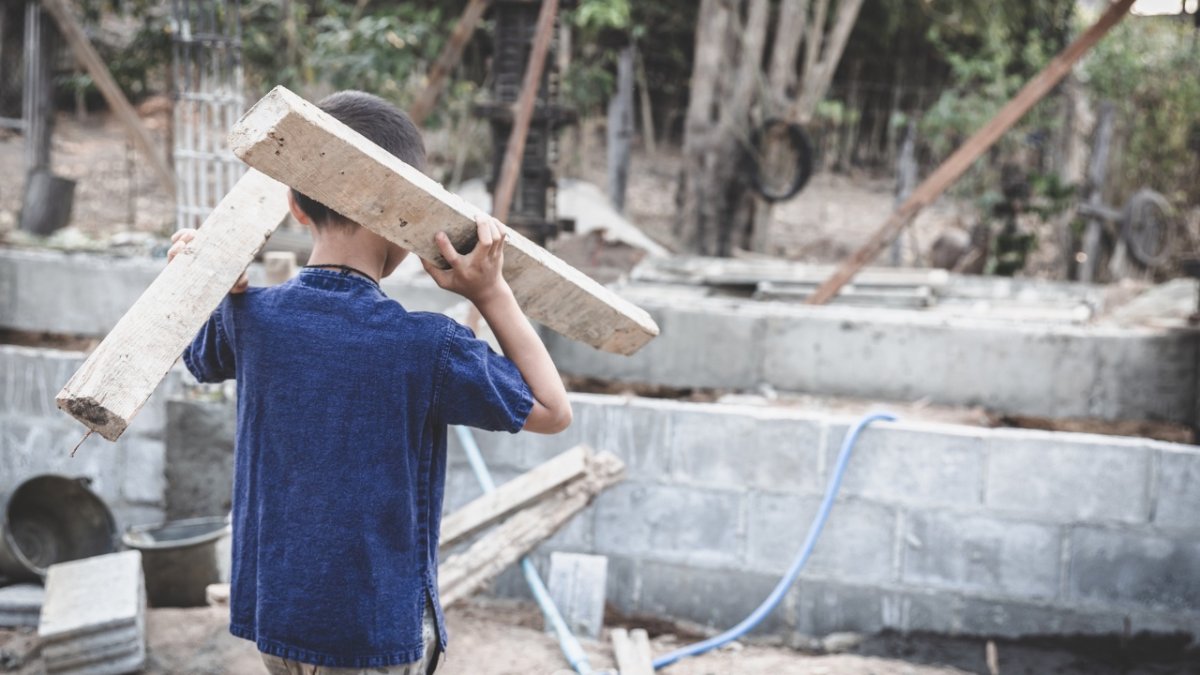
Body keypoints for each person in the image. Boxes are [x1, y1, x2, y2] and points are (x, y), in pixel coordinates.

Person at [168, 90, 572, 674]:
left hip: (277, 624)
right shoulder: (428, 345)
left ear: (296, 206)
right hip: (374, 632)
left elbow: (199, 358)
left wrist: (205, 281)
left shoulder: (249, 318)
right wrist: (491, 292)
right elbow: (552, 410)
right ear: (403, 214)